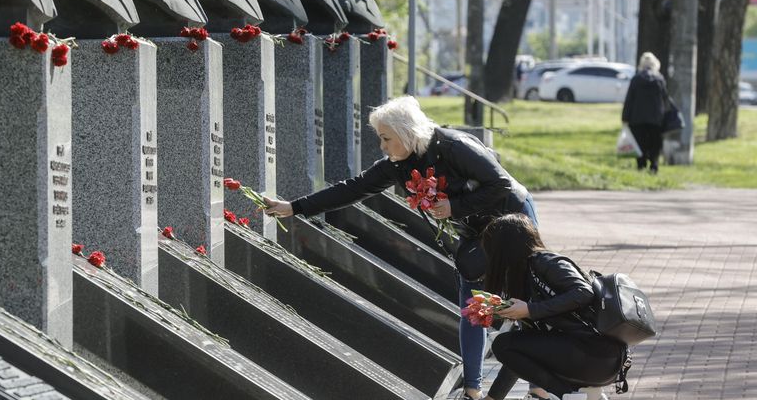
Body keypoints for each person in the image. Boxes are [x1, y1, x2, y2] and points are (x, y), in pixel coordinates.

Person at [263, 95, 539, 400]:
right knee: (475, 305)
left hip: (512, 219)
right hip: (474, 230)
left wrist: (455, 206)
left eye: (385, 138)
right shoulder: (399, 165)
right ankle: (474, 389)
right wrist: (294, 207)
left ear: (408, 133)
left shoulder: (454, 146)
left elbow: (500, 184)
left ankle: (540, 382)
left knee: (523, 295)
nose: (382, 146)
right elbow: (353, 188)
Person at [480, 215, 626, 400]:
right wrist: (494, 397)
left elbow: (584, 292)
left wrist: (531, 310)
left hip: (598, 354)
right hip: (589, 356)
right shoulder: (525, 276)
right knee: (508, 344)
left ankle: (566, 395)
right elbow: (519, 353)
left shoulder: (545, 261)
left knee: (503, 343)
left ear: (504, 249)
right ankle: (570, 394)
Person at [621, 52, 667, 174]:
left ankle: (641, 165)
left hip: (637, 118)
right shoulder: (659, 79)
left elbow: (629, 99)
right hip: (655, 118)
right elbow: (665, 98)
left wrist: (625, 117)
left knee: (640, 142)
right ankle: (654, 165)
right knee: (654, 143)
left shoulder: (636, 79)